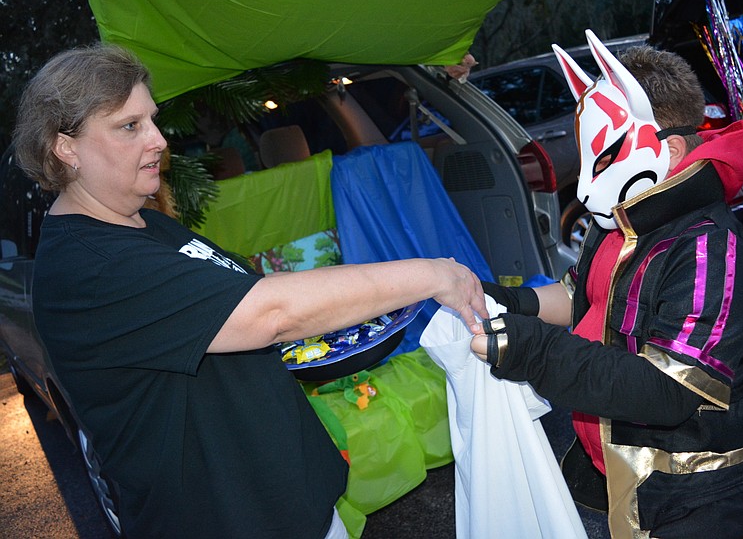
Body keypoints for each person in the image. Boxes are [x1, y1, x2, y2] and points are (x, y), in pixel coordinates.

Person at [13, 43, 487, 539]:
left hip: (289, 505)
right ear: (65, 147)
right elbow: (270, 311)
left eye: (152, 120)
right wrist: (432, 273)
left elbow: (243, 304)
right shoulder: (91, 267)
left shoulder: (144, 226)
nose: (157, 140)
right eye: (129, 127)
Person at [471, 30, 743, 538]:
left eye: (603, 161)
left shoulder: (712, 250)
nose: (584, 186)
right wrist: (506, 301)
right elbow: (582, 297)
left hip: (705, 494)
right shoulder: (621, 222)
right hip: (634, 477)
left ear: (666, 150)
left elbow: (667, 388)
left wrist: (533, 350)